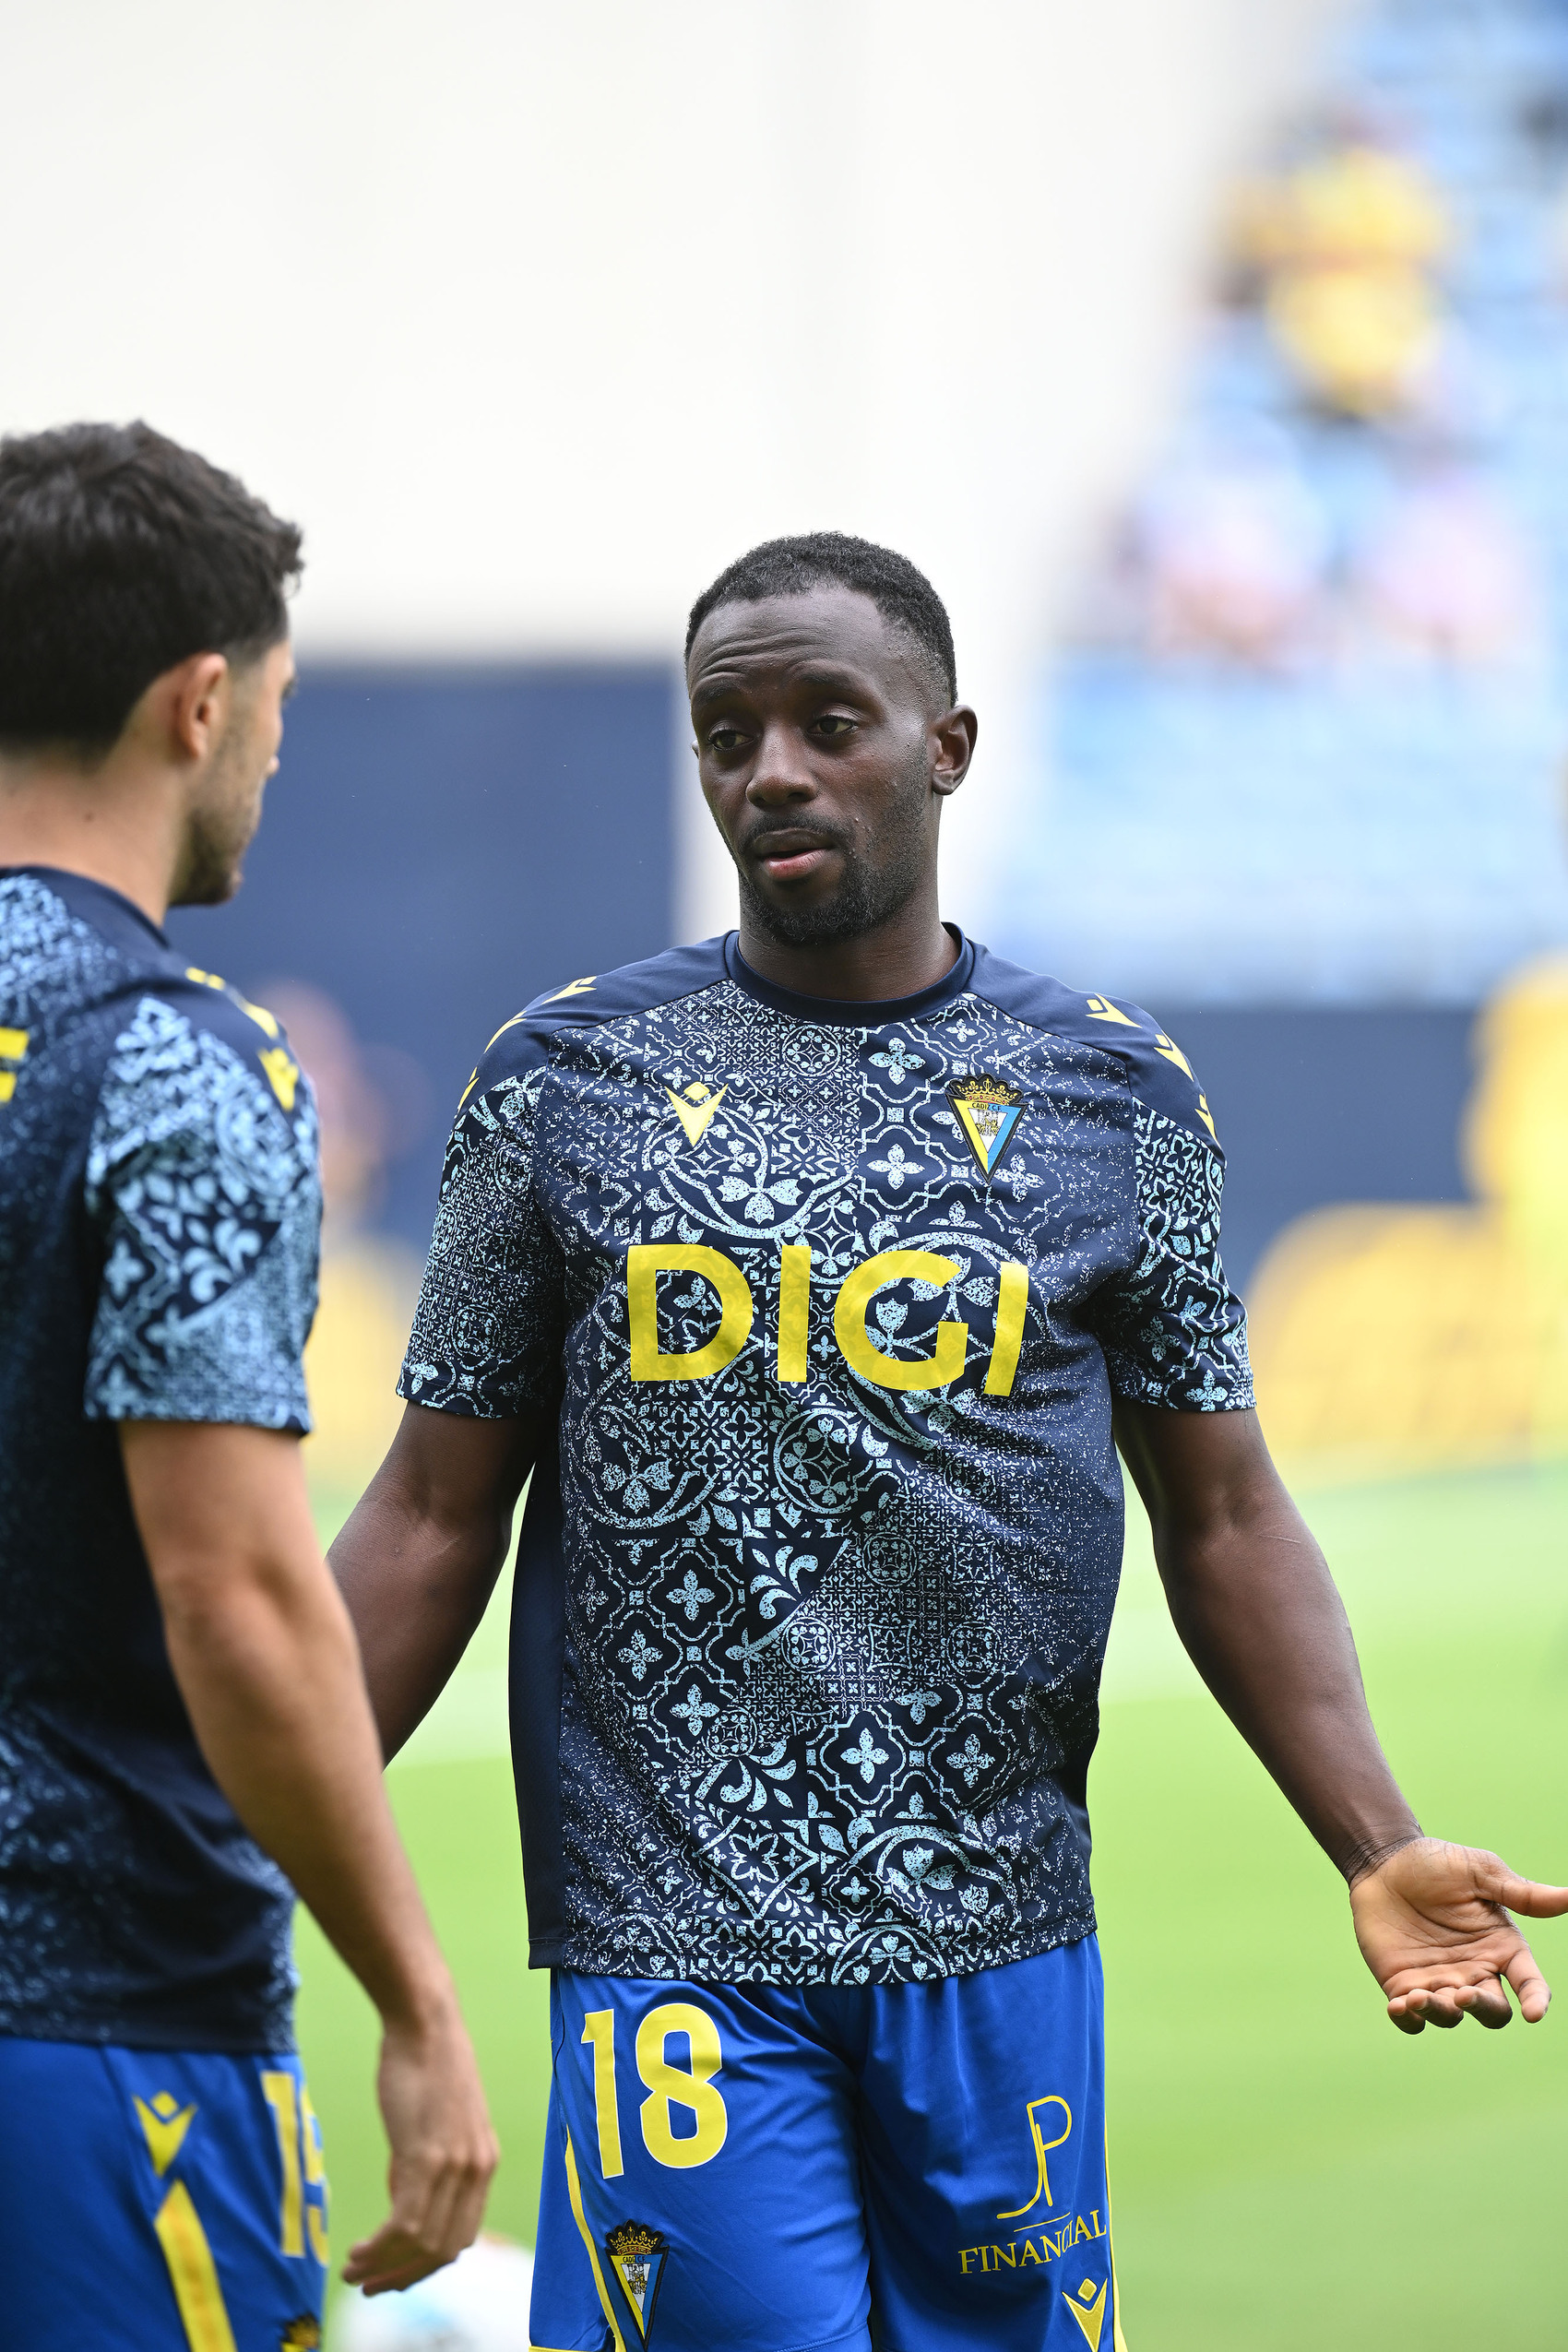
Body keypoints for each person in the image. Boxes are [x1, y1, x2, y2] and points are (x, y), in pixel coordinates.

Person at [331, 531, 1566, 2352]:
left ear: (948, 746)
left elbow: (1224, 1513)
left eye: (829, 722)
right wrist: (226, 1825)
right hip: (677, 1942)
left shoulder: (1111, 1091)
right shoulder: (563, 1084)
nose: (773, 771)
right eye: (728, 733)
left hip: (1002, 1943)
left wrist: (1371, 1839)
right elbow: (434, 1512)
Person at [0, 422, 497, 2352]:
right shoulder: (176, 1065)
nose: (273, 759)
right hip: (95, 2017)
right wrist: (416, 1995)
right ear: (197, 702)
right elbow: (232, 1589)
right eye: (275, 710)